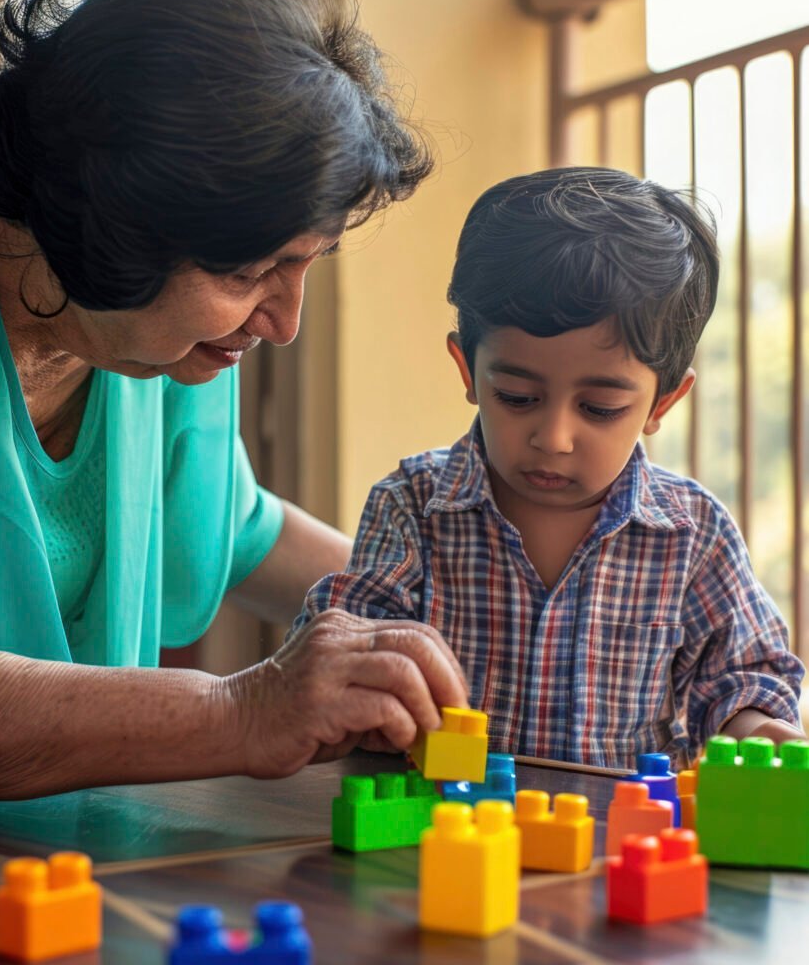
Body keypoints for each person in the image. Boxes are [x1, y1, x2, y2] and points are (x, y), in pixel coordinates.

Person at [0, 0, 469, 800]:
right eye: (245, 275)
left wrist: (460, 615)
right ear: (109, 229)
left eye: (307, 264)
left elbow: (230, 527)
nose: (283, 321)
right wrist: (245, 710)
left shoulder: (156, 336)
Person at [291, 167, 805, 769]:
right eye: (516, 396)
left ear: (662, 402)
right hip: (441, 836)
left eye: (600, 408)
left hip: (616, 845)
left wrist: (758, 730)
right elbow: (344, 644)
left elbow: (742, 676)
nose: (554, 438)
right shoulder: (413, 505)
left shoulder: (694, 534)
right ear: (467, 371)